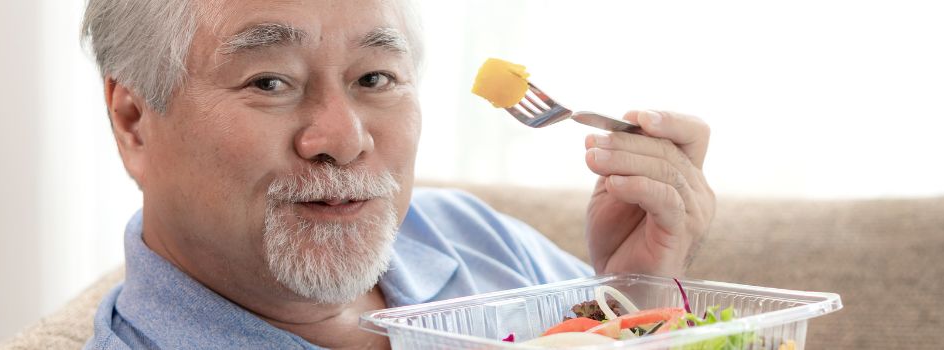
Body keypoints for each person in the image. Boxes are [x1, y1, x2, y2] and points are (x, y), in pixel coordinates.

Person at [80, 0, 714, 348]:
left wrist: (637, 294)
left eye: (374, 78)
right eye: (269, 81)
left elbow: (626, 324)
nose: (344, 139)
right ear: (135, 121)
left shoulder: (470, 235)